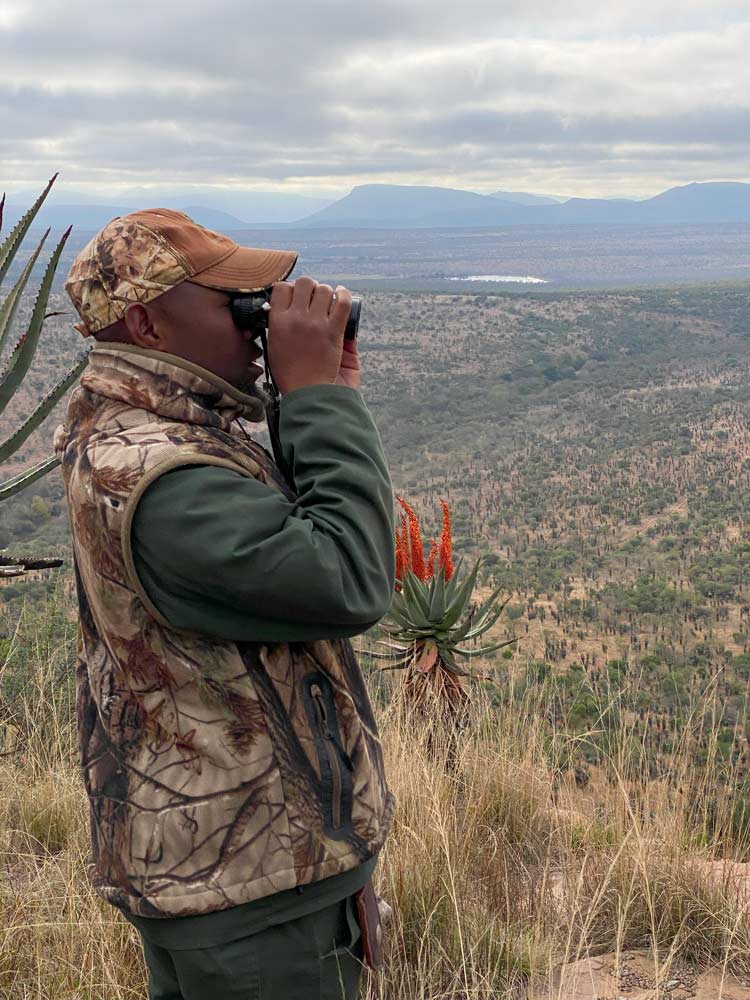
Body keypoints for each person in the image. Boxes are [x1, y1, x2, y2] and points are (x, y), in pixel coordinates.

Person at [54, 208, 396, 999]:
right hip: (252, 893)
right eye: (233, 302)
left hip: (239, 873)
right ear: (146, 322)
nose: (259, 321)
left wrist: (313, 391)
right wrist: (320, 401)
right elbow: (348, 576)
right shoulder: (164, 481)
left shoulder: (142, 430)